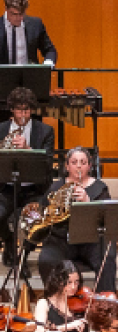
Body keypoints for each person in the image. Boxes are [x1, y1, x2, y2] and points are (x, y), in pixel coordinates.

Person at [34, 147, 117, 290]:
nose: (79, 166)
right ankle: (57, 302)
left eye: (83, 162)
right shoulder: (56, 187)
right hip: (62, 239)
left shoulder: (100, 188)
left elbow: (106, 219)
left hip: (92, 241)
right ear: (67, 166)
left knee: (107, 258)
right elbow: (43, 212)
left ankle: (104, 304)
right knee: (46, 259)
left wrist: (88, 201)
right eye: (74, 162)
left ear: (89, 166)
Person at [0, 86, 55, 266]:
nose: (23, 114)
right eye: (19, 109)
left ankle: (23, 255)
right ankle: (9, 243)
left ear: (31, 109)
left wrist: (28, 150)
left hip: (34, 190)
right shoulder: (1, 130)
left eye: (26, 109)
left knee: (36, 222)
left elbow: (47, 164)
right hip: (6, 188)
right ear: (12, 110)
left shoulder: (45, 131)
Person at [33, 262, 88, 332]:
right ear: (58, 281)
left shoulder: (82, 302)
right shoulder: (44, 304)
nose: (73, 287)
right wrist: (65, 327)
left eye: (76, 282)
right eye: (68, 282)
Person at [1, 0, 56, 65]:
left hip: (29, 76)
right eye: (13, 14)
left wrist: (48, 64)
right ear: (6, 9)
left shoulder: (36, 25)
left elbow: (50, 50)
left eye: (21, 14)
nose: (18, 18)